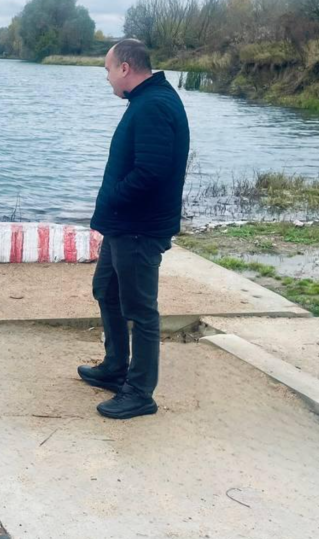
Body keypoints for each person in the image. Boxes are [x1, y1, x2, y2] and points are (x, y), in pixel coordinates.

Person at [81, 38, 189, 420]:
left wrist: (113, 199)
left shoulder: (155, 105)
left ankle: (140, 392)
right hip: (124, 225)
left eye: (108, 69)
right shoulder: (146, 101)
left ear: (125, 68)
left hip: (138, 227)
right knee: (105, 291)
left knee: (141, 310)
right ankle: (115, 367)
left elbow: (151, 171)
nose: (107, 78)